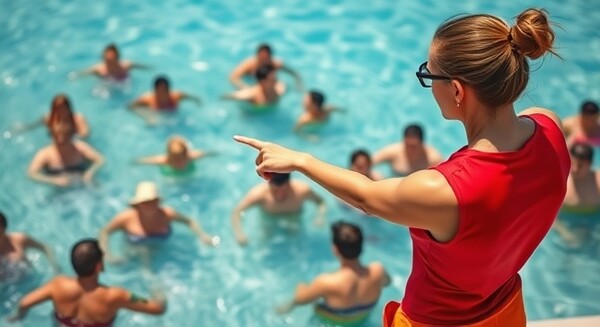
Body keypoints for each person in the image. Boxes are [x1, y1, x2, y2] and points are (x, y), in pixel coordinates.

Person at [235, 8, 569, 326]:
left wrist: (300, 160)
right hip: (507, 312)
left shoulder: (446, 190)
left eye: (429, 74)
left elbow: (367, 197)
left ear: (456, 90)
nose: (428, 84)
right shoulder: (550, 129)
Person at [7, 238, 165, 326]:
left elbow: (25, 302)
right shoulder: (115, 295)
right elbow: (157, 308)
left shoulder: (58, 285)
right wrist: (158, 290)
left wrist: (19, 316)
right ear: (99, 266)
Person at [276, 221, 390, 325]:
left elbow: (300, 300)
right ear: (361, 246)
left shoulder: (326, 283)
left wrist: (300, 287)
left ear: (335, 249)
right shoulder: (378, 271)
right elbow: (387, 283)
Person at [99, 181, 215, 262]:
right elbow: (105, 232)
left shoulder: (167, 214)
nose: (150, 205)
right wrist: (108, 255)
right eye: (146, 202)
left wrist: (202, 235)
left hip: (163, 250)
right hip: (135, 254)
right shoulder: (125, 218)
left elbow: (189, 221)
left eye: (153, 201)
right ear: (137, 204)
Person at [231, 173, 326, 246]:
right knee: (266, 243)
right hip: (269, 222)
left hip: (294, 221)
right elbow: (237, 212)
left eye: (284, 190)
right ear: (268, 184)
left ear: (289, 183)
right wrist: (239, 234)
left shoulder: (302, 191)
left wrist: (320, 216)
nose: (280, 195)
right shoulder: (259, 195)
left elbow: (321, 202)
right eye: (275, 191)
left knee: (296, 243)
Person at [28, 121, 104, 187]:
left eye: (64, 136)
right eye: (57, 136)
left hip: (81, 179)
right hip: (59, 185)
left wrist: (90, 172)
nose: (61, 139)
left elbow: (100, 160)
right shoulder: (44, 154)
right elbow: (32, 174)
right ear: (52, 136)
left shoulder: (80, 147)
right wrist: (52, 180)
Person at [553, 142, 600, 247]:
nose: (574, 169)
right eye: (572, 163)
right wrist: (565, 234)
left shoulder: (598, 181)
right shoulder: (559, 180)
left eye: (580, 165)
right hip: (566, 225)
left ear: (590, 164)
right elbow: (546, 213)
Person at [0, 211, 59, 280]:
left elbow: (45, 248)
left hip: (30, 279)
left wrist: (55, 268)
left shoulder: (19, 240)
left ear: (2, 228)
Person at [373, 124, 443, 176]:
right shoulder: (393, 152)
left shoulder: (433, 158)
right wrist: (378, 177)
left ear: (422, 143)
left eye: (414, 147)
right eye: (408, 146)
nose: (410, 150)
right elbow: (368, 162)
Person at [128, 76, 202, 122]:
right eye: (160, 91)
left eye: (165, 90)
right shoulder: (147, 99)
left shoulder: (176, 96)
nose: (163, 94)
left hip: (173, 119)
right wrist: (147, 116)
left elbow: (194, 98)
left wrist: (197, 102)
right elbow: (130, 107)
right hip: (157, 119)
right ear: (155, 90)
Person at [229, 43, 302, 90]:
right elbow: (233, 78)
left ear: (270, 58)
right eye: (262, 59)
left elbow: (294, 73)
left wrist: (298, 85)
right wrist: (245, 87)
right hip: (250, 80)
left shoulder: (276, 64)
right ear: (257, 57)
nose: (264, 62)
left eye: (266, 59)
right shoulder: (249, 65)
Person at [135, 136, 215, 177]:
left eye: (181, 159)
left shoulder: (192, 157)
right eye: (175, 160)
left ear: (186, 155)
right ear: (169, 157)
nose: (179, 163)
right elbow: (143, 161)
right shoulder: (163, 161)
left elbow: (208, 153)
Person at [70, 43, 148, 81]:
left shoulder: (126, 65)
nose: (110, 62)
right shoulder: (99, 69)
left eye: (112, 59)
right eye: (107, 60)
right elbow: (81, 74)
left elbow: (144, 67)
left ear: (117, 57)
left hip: (123, 85)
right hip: (107, 86)